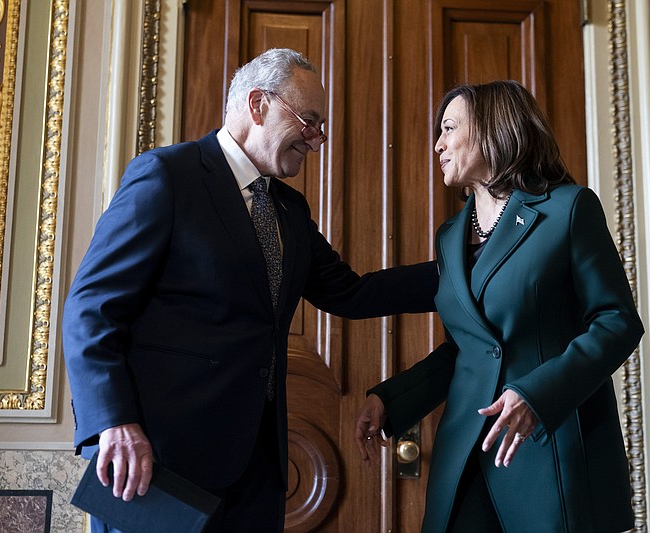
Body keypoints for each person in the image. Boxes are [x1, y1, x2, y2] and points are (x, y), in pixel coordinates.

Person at [62, 48, 438, 533]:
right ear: (258, 104)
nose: (318, 139)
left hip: (256, 471)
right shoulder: (167, 177)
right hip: (157, 462)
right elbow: (91, 308)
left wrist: (470, 268)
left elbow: (352, 293)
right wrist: (113, 422)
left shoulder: (289, 210)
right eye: (309, 121)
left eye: (321, 127)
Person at [354, 80, 644, 532]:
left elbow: (617, 322)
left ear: (492, 130)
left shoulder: (569, 209)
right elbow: (467, 351)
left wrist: (536, 395)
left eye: (449, 128)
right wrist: (391, 400)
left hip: (549, 448)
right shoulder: (450, 237)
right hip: (465, 457)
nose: (438, 144)